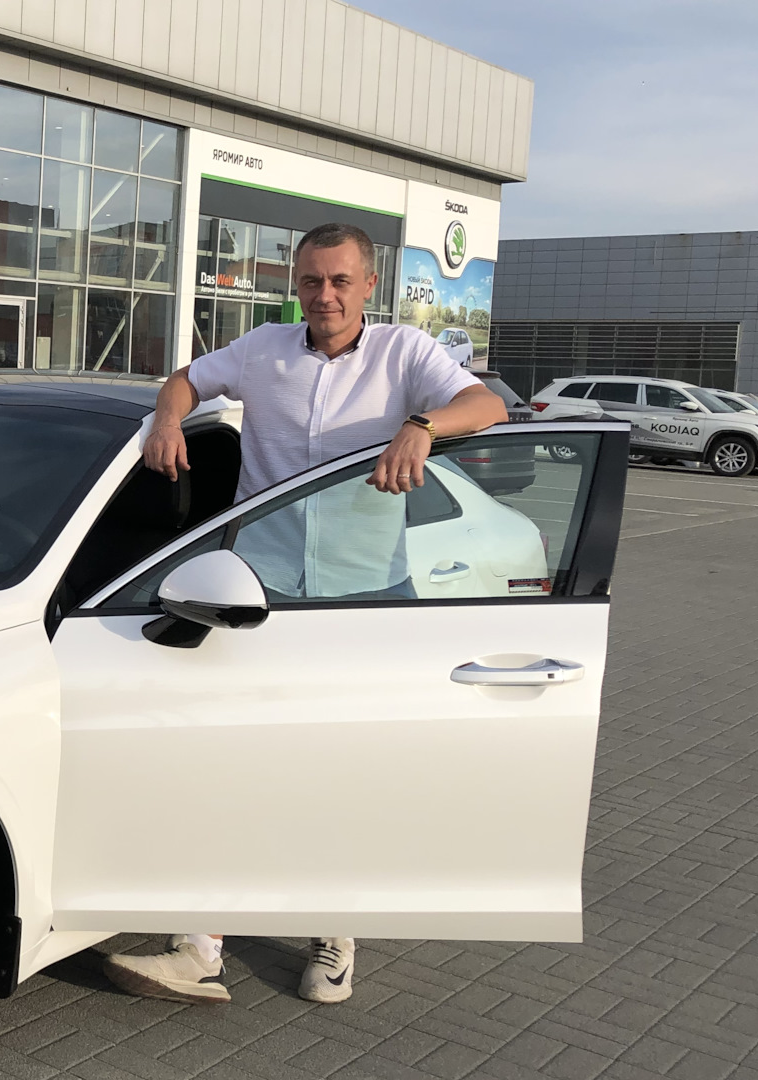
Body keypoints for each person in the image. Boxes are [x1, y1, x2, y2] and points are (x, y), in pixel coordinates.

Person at [101, 223, 507, 1006]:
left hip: (366, 595)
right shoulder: (263, 350)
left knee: (347, 772)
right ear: (297, 283)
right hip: (262, 589)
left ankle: (335, 934)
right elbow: (185, 380)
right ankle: (199, 946)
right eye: (313, 281)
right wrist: (166, 418)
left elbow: (485, 404)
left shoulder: (404, 354)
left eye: (341, 281)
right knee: (231, 761)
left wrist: (422, 425)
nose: (325, 296)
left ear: (369, 285)